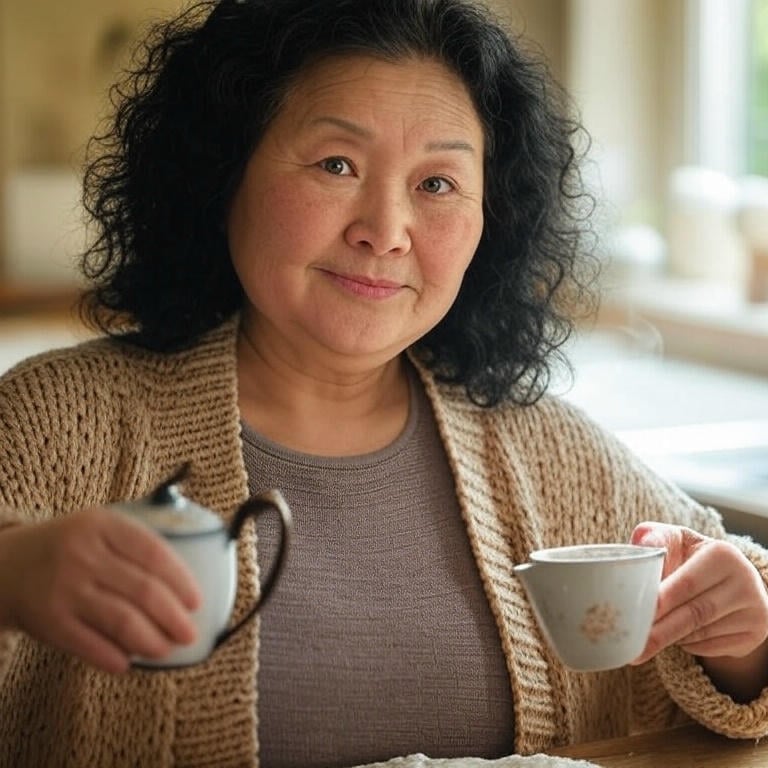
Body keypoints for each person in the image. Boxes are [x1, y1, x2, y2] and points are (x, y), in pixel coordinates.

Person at [0, 0, 767, 765]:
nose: (386, 229)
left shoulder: (548, 451)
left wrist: (741, 638)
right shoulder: (55, 422)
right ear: (221, 173)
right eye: (337, 165)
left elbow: (740, 595)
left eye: (437, 183)